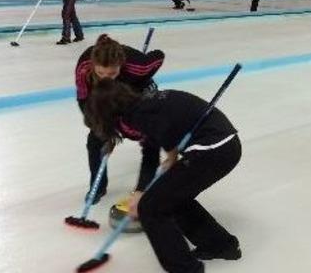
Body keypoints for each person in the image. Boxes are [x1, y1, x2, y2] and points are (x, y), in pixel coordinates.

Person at [85, 80, 242, 273]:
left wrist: (171, 156)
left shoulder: (140, 114)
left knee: (151, 208)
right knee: (168, 198)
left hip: (213, 150)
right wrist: (140, 190)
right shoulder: (140, 107)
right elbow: (151, 150)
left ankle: (185, 269)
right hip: (222, 147)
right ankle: (219, 245)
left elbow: (163, 134)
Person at [75, 34, 165, 203]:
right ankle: (98, 186)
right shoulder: (84, 68)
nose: (106, 77)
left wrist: (141, 80)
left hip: (139, 91)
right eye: (101, 72)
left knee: (149, 135)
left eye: (112, 72)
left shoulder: (139, 66)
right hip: (107, 96)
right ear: (93, 65)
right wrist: (102, 128)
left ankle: (145, 188)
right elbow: (83, 99)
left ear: (121, 66)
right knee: (95, 140)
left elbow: (159, 56)